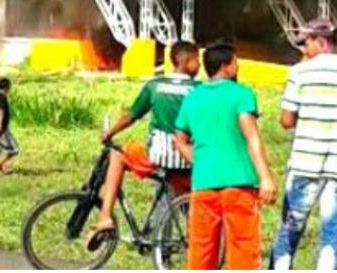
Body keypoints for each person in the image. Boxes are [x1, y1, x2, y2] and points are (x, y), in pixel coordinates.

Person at [271, 19, 337, 271]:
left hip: (305, 162)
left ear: (320, 42)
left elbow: (286, 120)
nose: (303, 51)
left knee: (291, 227)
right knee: (332, 230)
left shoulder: (299, 73)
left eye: (305, 44)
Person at [174, 43, 277, 270]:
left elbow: (179, 139)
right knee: (243, 252)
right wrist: (266, 177)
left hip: (203, 185)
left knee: (201, 252)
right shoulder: (241, 94)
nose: (238, 66)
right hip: (238, 185)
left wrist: (198, 161)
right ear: (226, 67)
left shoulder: (193, 97)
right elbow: (252, 137)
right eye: (235, 62)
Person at [88, 42, 201, 248]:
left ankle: (105, 216)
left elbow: (131, 116)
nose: (200, 65)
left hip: (157, 156)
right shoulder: (199, 90)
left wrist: (110, 133)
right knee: (190, 205)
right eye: (197, 60)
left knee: (117, 155)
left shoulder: (154, 85)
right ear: (185, 61)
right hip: (187, 159)